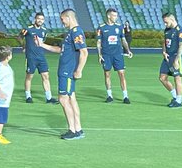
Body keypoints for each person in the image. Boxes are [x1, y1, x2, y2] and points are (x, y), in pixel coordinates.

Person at [42, 8, 88, 140]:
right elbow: (60, 50)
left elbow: (84, 52)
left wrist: (79, 70)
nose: (62, 22)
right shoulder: (70, 33)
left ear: (69, 17)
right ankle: (78, 128)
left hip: (67, 72)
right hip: (65, 71)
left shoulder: (76, 32)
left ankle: (72, 130)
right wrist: (42, 45)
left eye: (62, 19)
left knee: (63, 99)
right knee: (71, 98)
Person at [19, 11, 56, 104]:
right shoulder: (28, 29)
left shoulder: (44, 30)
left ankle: (49, 98)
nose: (40, 20)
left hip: (41, 57)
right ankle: (28, 96)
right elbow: (19, 37)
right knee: (29, 76)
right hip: (31, 57)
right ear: (35, 19)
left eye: (42, 19)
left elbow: (42, 42)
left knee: (46, 76)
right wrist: (23, 46)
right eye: (39, 19)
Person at [97, 8, 133, 104]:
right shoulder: (101, 27)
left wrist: (128, 50)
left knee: (121, 74)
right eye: (114, 15)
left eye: (116, 16)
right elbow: (99, 42)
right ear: (109, 16)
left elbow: (123, 39)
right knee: (107, 74)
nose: (116, 17)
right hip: (106, 54)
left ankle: (125, 96)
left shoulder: (119, 27)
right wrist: (99, 55)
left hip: (118, 54)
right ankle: (109, 95)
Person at [160, 11, 182, 108]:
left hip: (176, 57)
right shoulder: (167, 30)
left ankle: (179, 101)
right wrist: (163, 51)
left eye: (166, 22)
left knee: (177, 78)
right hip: (167, 57)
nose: (165, 24)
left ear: (172, 19)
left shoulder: (180, 30)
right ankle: (175, 96)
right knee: (162, 78)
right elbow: (164, 42)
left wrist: (176, 60)